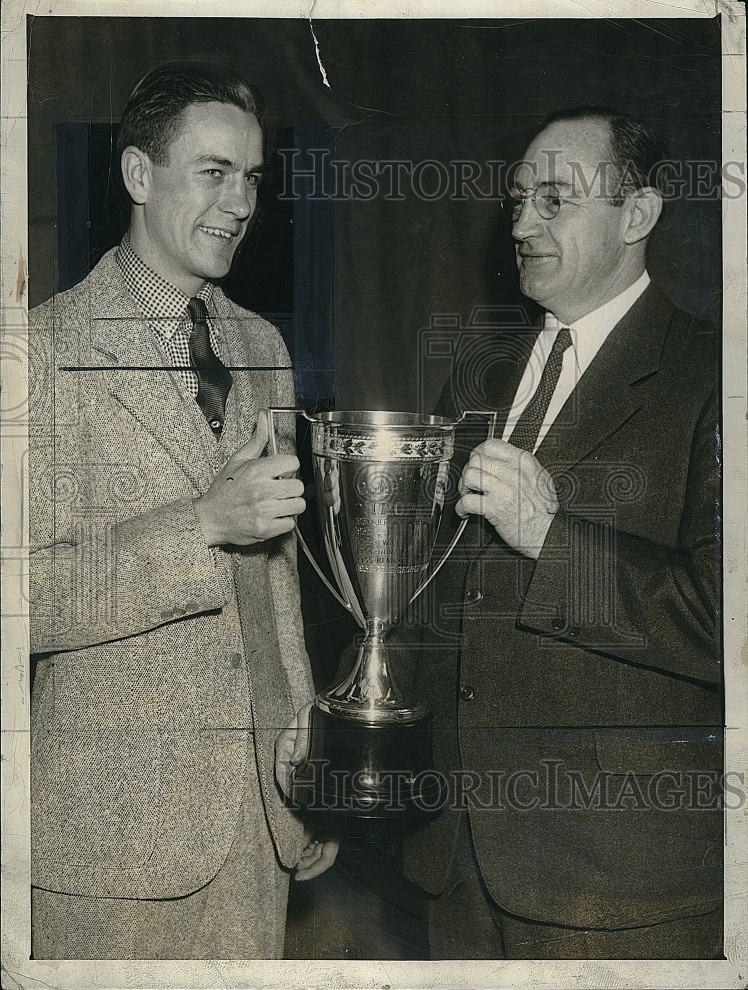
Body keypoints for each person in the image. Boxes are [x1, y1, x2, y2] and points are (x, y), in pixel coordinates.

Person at [28, 61, 337, 960]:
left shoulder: (260, 343)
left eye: (251, 178)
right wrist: (198, 523)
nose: (241, 202)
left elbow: (276, 587)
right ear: (136, 175)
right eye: (213, 172)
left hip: (257, 827)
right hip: (105, 844)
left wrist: (304, 767)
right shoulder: (42, 350)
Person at [399, 106, 723, 959]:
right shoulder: (483, 373)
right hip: (455, 862)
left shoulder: (716, 378)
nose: (521, 224)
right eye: (516, 201)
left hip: (620, 889)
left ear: (638, 215)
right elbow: (426, 593)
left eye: (553, 200)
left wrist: (551, 535)